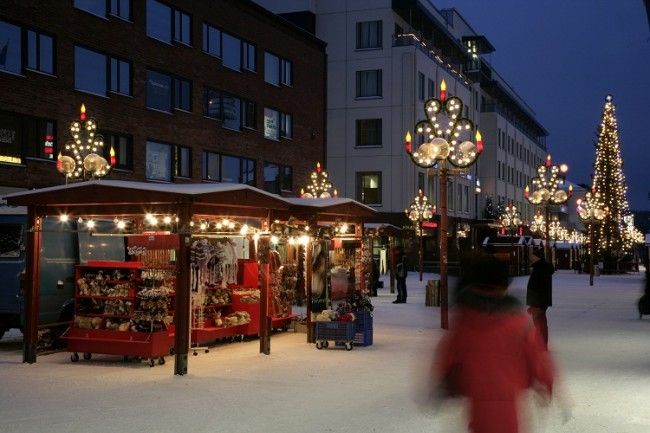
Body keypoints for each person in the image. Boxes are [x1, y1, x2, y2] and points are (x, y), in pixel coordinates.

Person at [431, 254, 555, 433]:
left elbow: (449, 353)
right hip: (508, 397)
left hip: (477, 399)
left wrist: (443, 382)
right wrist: (546, 381)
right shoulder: (517, 321)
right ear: (502, 287)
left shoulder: (465, 320)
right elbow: (537, 354)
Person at [526, 247, 555, 348]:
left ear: (536, 257)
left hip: (538, 302)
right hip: (540, 301)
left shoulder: (540, 268)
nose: (530, 258)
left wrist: (535, 303)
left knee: (539, 324)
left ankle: (541, 344)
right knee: (540, 323)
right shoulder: (541, 268)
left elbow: (538, 287)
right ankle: (540, 343)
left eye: (532, 256)